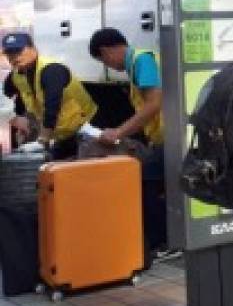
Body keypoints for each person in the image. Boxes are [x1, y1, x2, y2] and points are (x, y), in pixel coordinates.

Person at [88, 28, 170, 259]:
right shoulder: (139, 62)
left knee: (146, 179)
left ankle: (162, 240)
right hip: (164, 136)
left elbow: (154, 104)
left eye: (103, 60)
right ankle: (162, 238)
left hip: (173, 136)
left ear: (107, 51)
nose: (108, 65)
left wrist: (119, 132)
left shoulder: (141, 60)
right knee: (156, 181)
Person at [1, 32, 98, 160]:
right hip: (62, 134)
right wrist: (18, 124)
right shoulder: (16, 76)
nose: (14, 57)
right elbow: (13, 100)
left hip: (87, 129)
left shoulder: (51, 70)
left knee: (84, 171)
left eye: (18, 51)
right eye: (9, 54)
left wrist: (42, 140)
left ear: (33, 49)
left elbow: (52, 105)